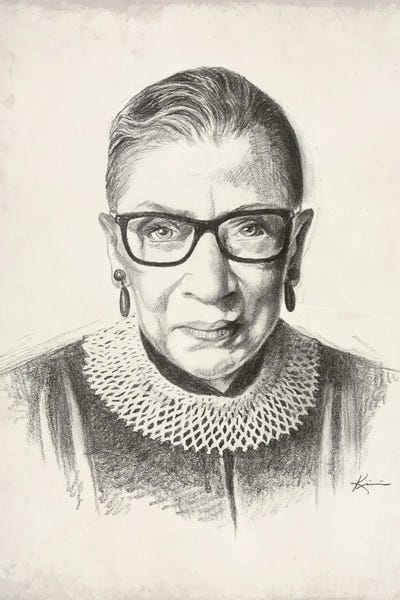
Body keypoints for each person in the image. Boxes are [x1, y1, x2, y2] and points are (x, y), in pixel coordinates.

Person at [0, 67, 387, 529]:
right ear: (116, 248)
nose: (210, 286)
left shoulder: (382, 409)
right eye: (162, 230)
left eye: (251, 228)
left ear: (295, 247)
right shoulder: (21, 414)